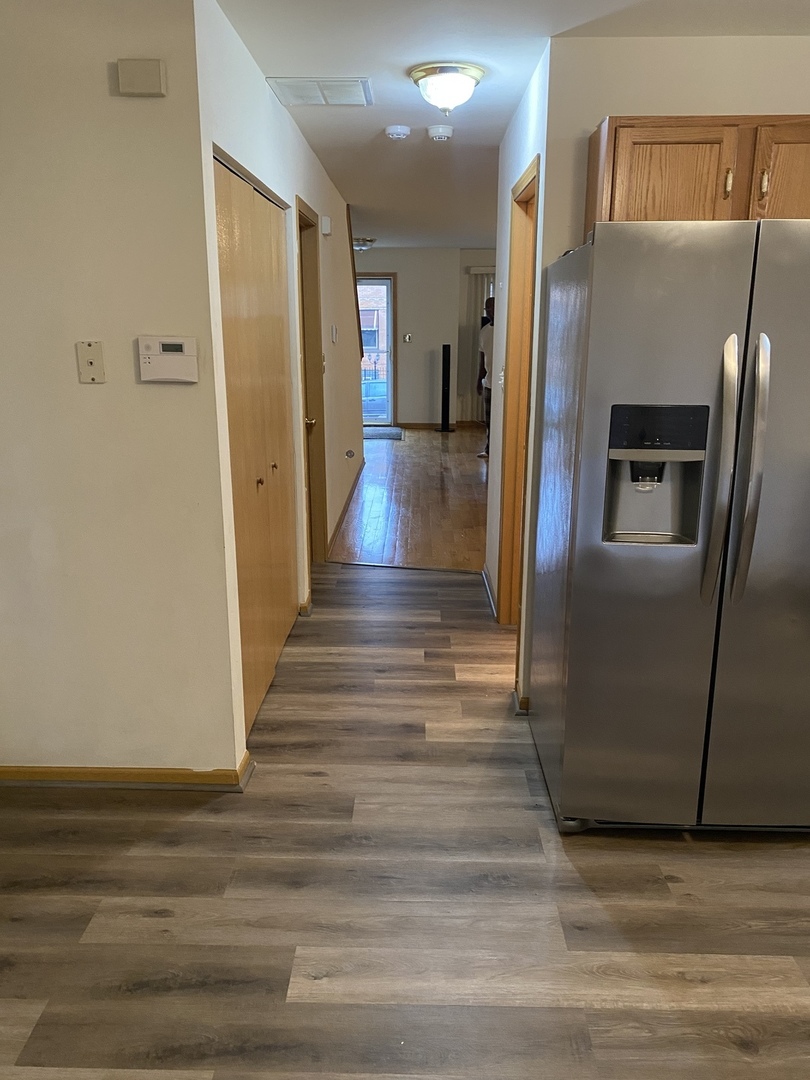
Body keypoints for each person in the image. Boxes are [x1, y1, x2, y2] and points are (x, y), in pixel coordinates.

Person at [476, 296, 495, 459]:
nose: (489, 311)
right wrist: (479, 381)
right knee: (489, 421)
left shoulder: (506, 330)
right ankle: (489, 450)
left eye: (492, 308)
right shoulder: (484, 331)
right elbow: (482, 360)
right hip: (489, 382)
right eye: (487, 309)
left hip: (504, 384)